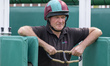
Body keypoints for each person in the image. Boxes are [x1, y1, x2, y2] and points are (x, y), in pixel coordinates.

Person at [18, 0, 102, 66]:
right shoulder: (42, 31)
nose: (60, 21)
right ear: (48, 18)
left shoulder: (70, 33)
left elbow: (97, 31)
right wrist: (45, 46)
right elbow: (22, 30)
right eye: (57, 17)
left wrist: (82, 46)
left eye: (63, 17)